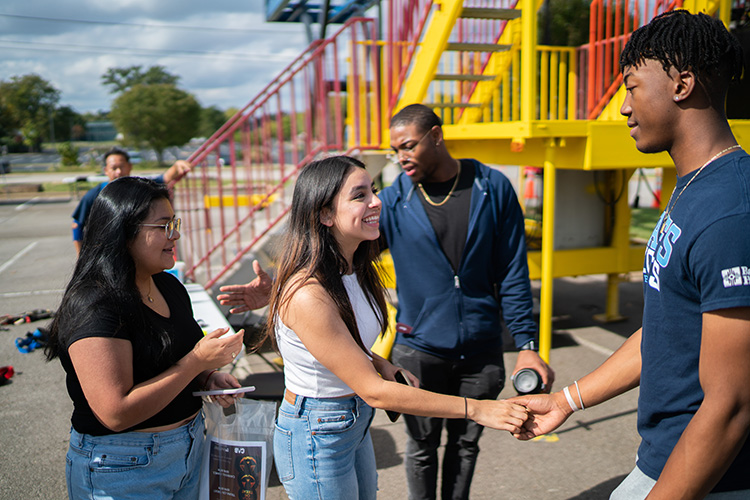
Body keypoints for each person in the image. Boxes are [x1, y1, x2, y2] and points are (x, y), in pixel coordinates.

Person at [512, 10, 750, 499]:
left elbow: (732, 404)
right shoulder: (693, 191)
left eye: (632, 86)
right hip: (663, 461)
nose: (623, 106)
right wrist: (567, 400)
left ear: (682, 84)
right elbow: (667, 330)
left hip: (710, 480)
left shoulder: (731, 214)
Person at [224, 155, 528, 500]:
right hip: (318, 431)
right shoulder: (308, 294)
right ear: (324, 214)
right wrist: (477, 408)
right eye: (360, 196)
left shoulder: (354, 269)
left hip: (352, 422)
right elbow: (374, 390)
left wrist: (382, 364)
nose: (377, 201)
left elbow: (344, 346)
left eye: (374, 190)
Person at [379, 103, 554, 500]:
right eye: (395, 150)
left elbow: (513, 271)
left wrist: (527, 345)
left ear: (436, 136)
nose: (401, 157)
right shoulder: (392, 202)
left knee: (466, 445)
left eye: (408, 145)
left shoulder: (491, 188)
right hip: (418, 349)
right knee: (422, 448)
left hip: (481, 350)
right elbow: (349, 254)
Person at [46, 176, 245, 499]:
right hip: (122, 466)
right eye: (164, 226)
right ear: (123, 233)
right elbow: (115, 412)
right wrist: (196, 362)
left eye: (175, 223)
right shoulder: (95, 304)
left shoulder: (168, 286)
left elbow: (170, 360)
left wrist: (207, 377)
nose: (175, 234)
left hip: (189, 449)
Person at [71, 147, 192, 252]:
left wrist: (177, 166)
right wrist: (80, 256)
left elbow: (165, 178)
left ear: (129, 167)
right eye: (114, 168)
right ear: (106, 170)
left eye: (122, 167)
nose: (118, 172)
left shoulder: (139, 188)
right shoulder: (94, 195)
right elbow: (77, 225)